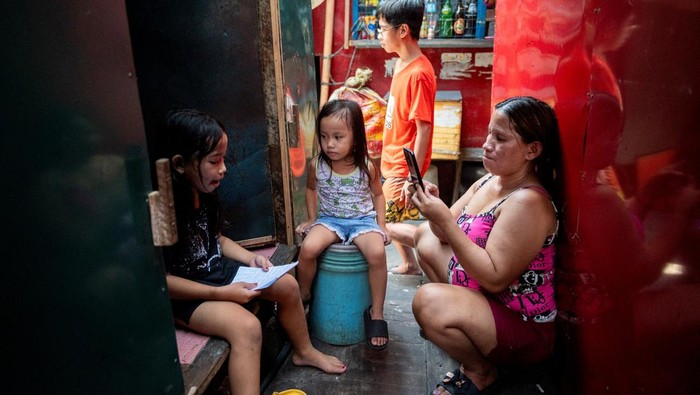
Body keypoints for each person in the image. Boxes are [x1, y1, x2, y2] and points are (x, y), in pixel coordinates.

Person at [160, 109, 346, 395]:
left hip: (217, 273)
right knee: (246, 327)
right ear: (180, 164)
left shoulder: (204, 192)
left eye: (223, 159)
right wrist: (223, 294)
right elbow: (163, 283)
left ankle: (304, 351)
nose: (223, 168)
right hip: (190, 297)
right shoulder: (164, 213)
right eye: (214, 161)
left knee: (285, 283)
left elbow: (218, 240)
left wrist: (251, 258)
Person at [409, 97, 563, 394]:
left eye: (500, 138)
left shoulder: (528, 202)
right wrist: (433, 207)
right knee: (424, 240)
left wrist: (446, 220)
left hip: (522, 325)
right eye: (489, 133)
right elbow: (441, 234)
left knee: (427, 302)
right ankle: (464, 333)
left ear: (533, 150)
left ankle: (481, 370)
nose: (486, 144)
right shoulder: (490, 181)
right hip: (490, 300)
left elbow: (494, 277)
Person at [295, 99, 390, 350]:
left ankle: (377, 312)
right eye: (324, 136)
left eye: (338, 137)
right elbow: (311, 190)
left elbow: (379, 195)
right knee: (307, 250)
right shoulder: (318, 165)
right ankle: (304, 295)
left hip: (362, 221)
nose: (330, 144)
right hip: (330, 220)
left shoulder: (366, 167)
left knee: (378, 253)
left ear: (356, 139)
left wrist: (382, 225)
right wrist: (312, 218)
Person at [376, 0, 437, 275]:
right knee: (392, 215)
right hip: (391, 158)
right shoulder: (401, 63)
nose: (379, 34)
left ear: (402, 30)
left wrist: (414, 177)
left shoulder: (420, 73)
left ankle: (432, 242)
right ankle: (410, 263)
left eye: (382, 29)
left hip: (404, 164)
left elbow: (423, 129)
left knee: (384, 223)